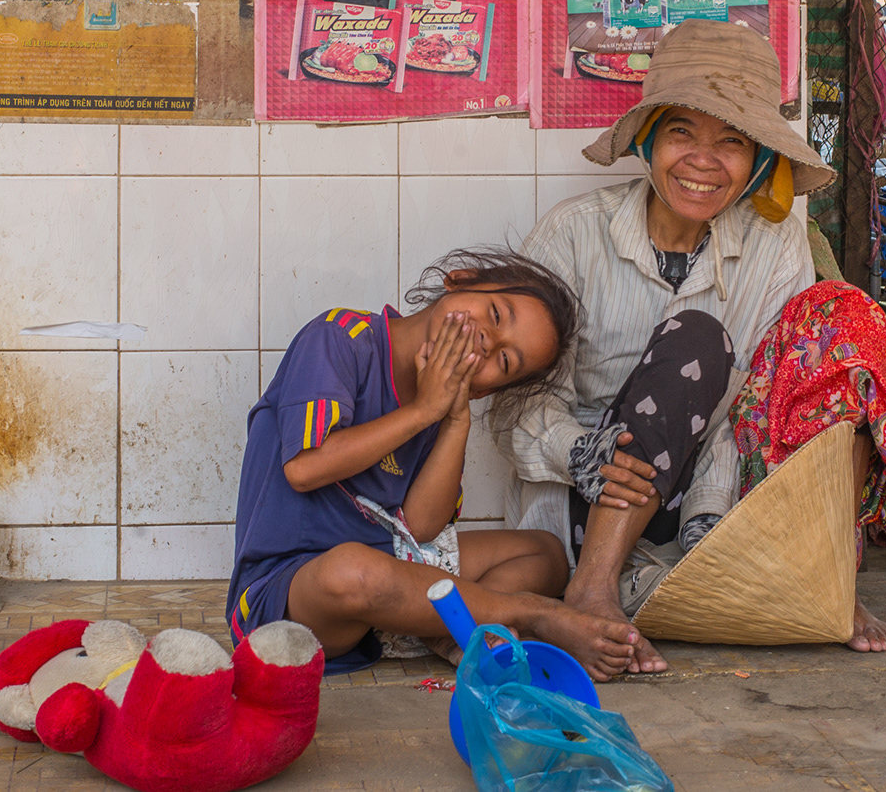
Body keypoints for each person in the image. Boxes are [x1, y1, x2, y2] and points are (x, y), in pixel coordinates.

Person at [502, 19, 886, 679]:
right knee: (696, 339)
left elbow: (761, 401)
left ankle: (825, 572)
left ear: (757, 162)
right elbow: (517, 410)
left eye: (731, 141)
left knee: (841, 326)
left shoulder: (774, 242)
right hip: (589, 515)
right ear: (647, 139)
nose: (703, 160)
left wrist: (712, 526)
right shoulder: (571, 235)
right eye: (681, 132)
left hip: (712, 506)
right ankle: (595, 588)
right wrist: (585, 452)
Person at [229, 248, 646, 676]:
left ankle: (443, 628)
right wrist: (422, 411)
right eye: (496, 314)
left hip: (391, 566)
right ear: (460, 280)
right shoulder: (341, 338)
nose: (488, 342)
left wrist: (453, 420)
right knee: (351, 571)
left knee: (546, 553)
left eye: (504, 362)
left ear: (485, 391)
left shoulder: (442, 398)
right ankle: (529, 613)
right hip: (290, 595)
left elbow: (422, 529)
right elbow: (304, 468)